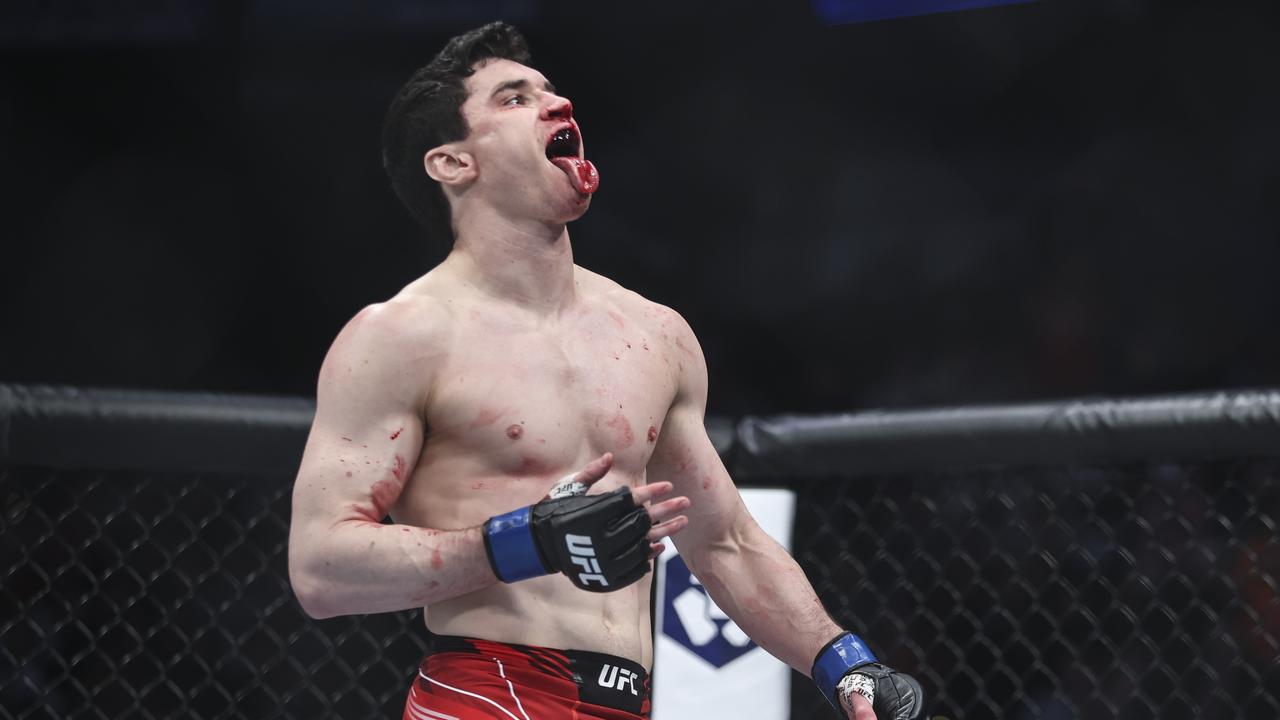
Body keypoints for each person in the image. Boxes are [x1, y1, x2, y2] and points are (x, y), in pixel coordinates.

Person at [287, 21, 926, 720]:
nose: (557, 106)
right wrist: (521, 543)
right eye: (513, 99)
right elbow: (321, 567)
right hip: (489, 694)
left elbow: (723, 541)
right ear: (453, 164)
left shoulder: (652, 334)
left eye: (551, 92)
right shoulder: (402, 337)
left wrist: (841, 660)